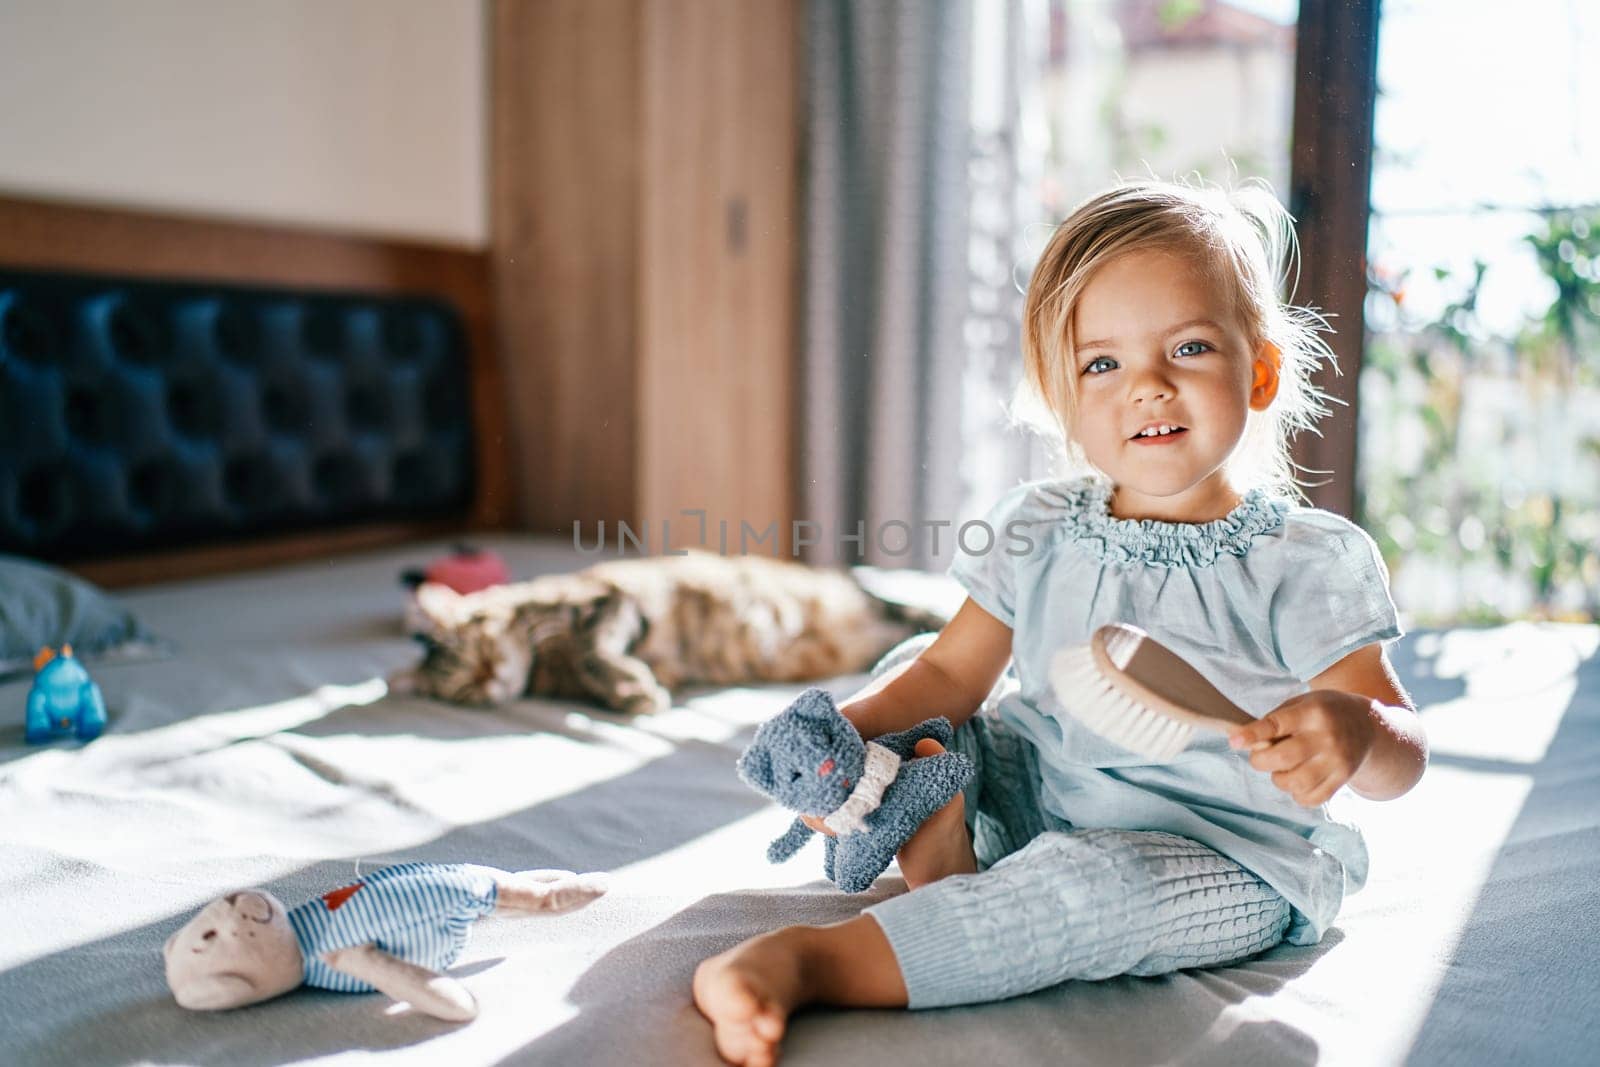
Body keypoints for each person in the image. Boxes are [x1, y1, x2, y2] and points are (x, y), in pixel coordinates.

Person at [693, 179, 1429, 1067]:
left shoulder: (1306, 558)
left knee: (1093, 892)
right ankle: (948, 822)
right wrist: (839, 738)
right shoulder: (1037, 526)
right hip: (1038, 788)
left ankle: (814, 958)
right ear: (1062, 395)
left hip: (1222, 850)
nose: (1148, 386)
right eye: (1103, 364)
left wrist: (1357, 733)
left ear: (1260, 371)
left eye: (1188, 348)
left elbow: (1402, 754)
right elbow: (947, 678)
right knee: (917, 664)